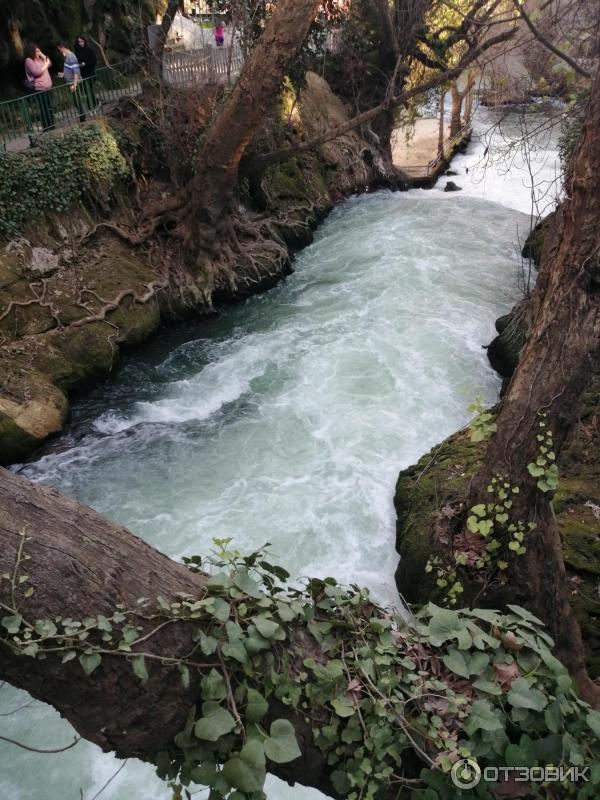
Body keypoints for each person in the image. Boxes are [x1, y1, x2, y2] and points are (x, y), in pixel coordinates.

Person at [24, 43, 55, 131]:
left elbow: (50, 64)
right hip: (39, 88)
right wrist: (46, 64)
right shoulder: (29, 61)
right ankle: (47, 126)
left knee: (49, 106)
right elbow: (37, 72)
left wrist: (41, 54)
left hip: (47, 87)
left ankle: (52, 124)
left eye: (39, 51)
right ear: (31, 52)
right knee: (44, 107)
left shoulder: (40, 58)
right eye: (36, 51)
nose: (38, 53)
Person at [57, 44, 86, 122]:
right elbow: (70, 69)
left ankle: (83, 117)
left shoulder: (71, 57)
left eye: (59, 50)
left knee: (77, 100)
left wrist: (75, 84)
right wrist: (63, 74)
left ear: (63, 48)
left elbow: (76, 72)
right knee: (76, 100)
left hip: (73, 83)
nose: (60, 52)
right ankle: (82, 116)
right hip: (71, 82)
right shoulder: (67, 57)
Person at [74, 35, 98, 111]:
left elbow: (94, 61)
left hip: (90, 72)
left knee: (90, 89)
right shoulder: (77, 51)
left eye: (82, 41)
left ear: (85, 41)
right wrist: (80, 65)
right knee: (86, 91)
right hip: (83, 73)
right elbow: (76, 61)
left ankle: (94, 105)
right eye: (79, 42)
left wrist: (86, 63)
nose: (81, 43)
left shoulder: (89, 50)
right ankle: (91, 105)